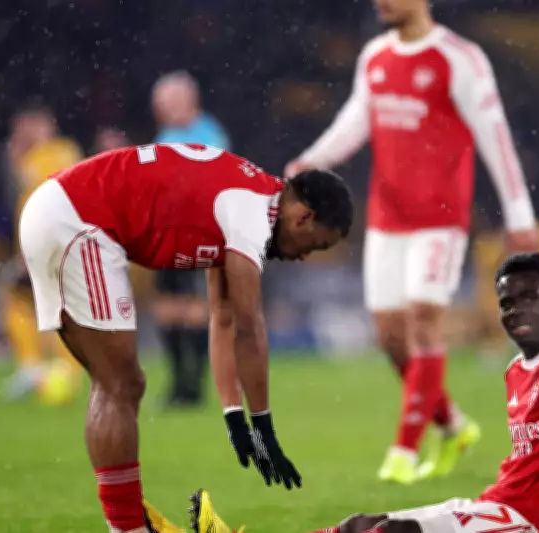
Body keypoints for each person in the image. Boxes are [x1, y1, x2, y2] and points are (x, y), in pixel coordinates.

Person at [191, 253, 539, 533]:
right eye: (506, 302)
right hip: (500, 509)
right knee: (360, 524)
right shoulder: (518, 369)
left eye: (529, 298)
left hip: (528, 524)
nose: (515, 310)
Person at [18, 142, 354, 533]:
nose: (305, 255)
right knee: (120, 384)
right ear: (303, 216)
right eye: (317, 243)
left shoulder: (248, 204)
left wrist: (235, 417)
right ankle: (127, 527)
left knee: (118, 383)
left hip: (63, 213)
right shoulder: (252, 215)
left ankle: (127, 524)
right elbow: (248, 328)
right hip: (77, 222)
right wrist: (264, 429)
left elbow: (223, 318)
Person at [285, 0, 539, 484]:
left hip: (441, 220)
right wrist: (309, 162)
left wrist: (519, 216)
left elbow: (496, 137)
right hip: (387, 219)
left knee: (423, 320)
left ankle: (403, 449)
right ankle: (454, 427)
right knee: (390, 338)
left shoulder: (460, 58)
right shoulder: (375, 56)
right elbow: (356, 120)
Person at [151, 71, 233, 407]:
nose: (165, 109)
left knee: (195, 308)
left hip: (198, 232)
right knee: (167, 308)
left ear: (189, 100)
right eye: (161, 105)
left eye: (170, 102)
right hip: (166, 233)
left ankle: (194, 387)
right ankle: (177, 385)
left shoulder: (209, 134)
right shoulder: (166, 135)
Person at [1, 103, 85, 401]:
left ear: (45, 125)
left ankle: (55, 368)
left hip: (51, 245)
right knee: (29, 301)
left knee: (48, 304)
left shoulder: (56, 153)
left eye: (28, 126)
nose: (22, 132)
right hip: (45, 244)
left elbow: (52, 201)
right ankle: (46, 368)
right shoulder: (38, 156)